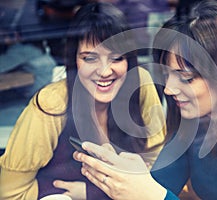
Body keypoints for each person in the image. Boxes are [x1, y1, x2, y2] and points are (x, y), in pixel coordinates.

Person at [73, 0, 217, 199]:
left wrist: (154, 196)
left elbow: (156, 194)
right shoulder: (194, 121)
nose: (169, 89)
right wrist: (126, 179)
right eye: (166, 75)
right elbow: (159, 184)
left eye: (186, 78)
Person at [0, 2, 166, 200]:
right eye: (90, 58)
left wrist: (92, 193)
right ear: (73, 61)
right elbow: (11, 194)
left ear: (129, 60)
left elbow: (155, 163)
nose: (105, 71)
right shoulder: (51, 105)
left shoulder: (141, 84)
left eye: (116, 58)